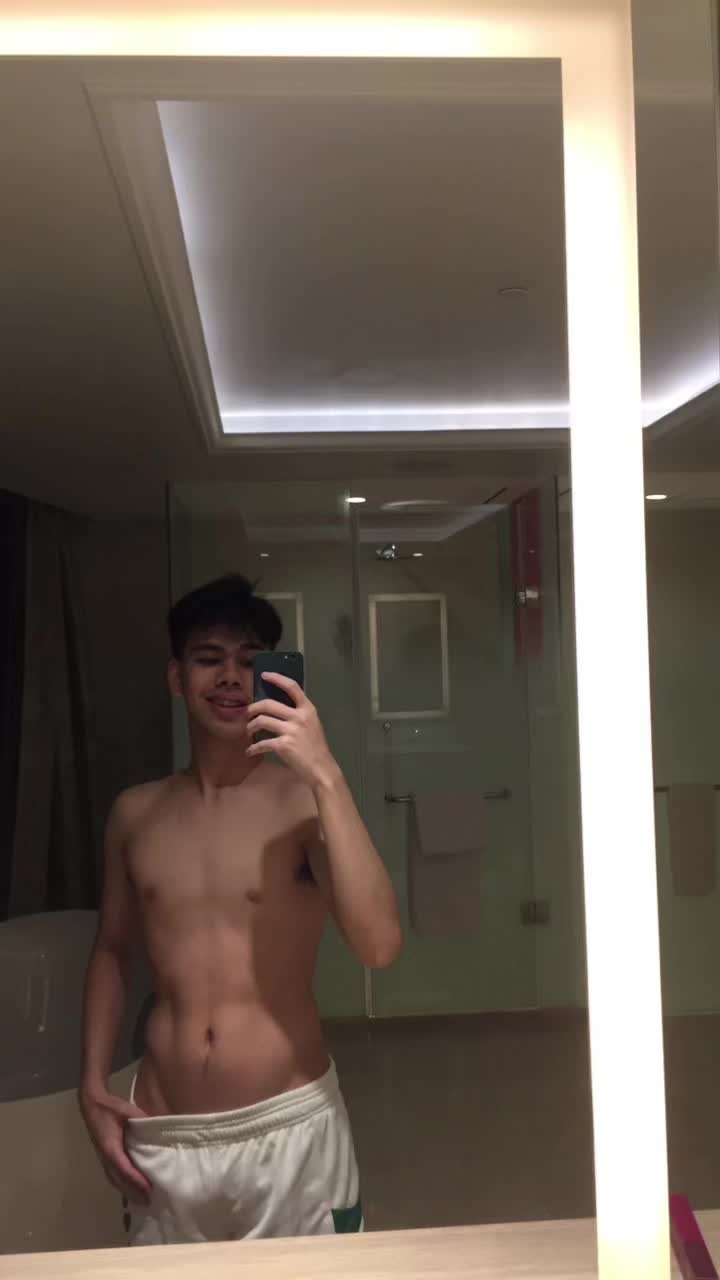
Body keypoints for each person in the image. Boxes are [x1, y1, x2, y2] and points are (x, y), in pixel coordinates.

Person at [79, 574, 402, 1245]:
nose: (230, 676)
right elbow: (111, 949)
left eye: (250, 660)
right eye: (209, 658)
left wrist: (325, 772)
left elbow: (379, 945)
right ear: (177, 677)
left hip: (289, 1129)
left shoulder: (303, 803)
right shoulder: (135, 814)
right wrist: (92, 1085)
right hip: (162, 1130)